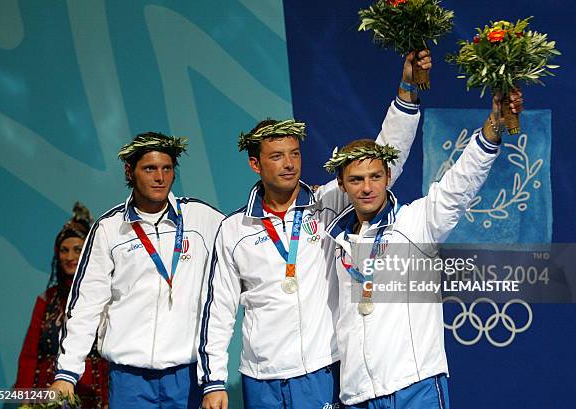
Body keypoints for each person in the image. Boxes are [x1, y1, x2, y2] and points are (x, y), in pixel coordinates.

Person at [198, 51, 432, 409]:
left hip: (323, 370)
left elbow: (386, 155)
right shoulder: (234, 229)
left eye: (294, 153)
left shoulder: (328, 203)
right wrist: (214, 380)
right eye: (277, 156)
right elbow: (219, 308)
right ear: (255, 164)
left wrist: (407, 92)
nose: (289, 163)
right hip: (261, 378)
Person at [323, 89, 524, 408]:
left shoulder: (417, 222)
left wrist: (493, 127)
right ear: (342, 184)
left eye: (375, 176)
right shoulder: (335, 239)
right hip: (357, 393)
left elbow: (460, 184)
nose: (367, 187)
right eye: (357, 179)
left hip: (414, 387)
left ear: (388, 176)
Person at [50, 132, 224, 409]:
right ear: (129, 171)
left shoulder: (202, 219)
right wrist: (67, 373)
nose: (160, 177)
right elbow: (86, 304)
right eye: (150, 169)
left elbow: (246, 243)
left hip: (188, 375)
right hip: (129, 378)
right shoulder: (109, 229)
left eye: (167, 169)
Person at [14, 203, 108, 408]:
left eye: (77, 250)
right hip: (49, 398)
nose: (70, 257)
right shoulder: (46, 299)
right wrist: (24, 398)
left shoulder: (104, 298)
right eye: (64, 250)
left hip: (94, 398)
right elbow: (30, 355)